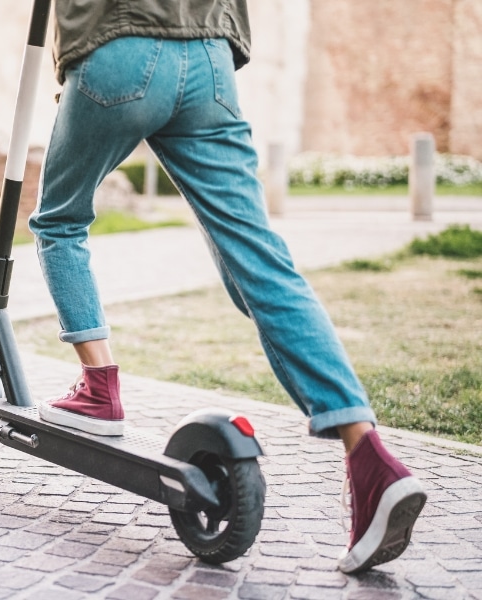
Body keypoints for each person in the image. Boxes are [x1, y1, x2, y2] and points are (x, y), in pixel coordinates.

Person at [27, 0, 426, 575]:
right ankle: (369, 456)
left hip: (119, 45)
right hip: (209, 58)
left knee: (59, 220)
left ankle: (98, 386)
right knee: (257, 256)